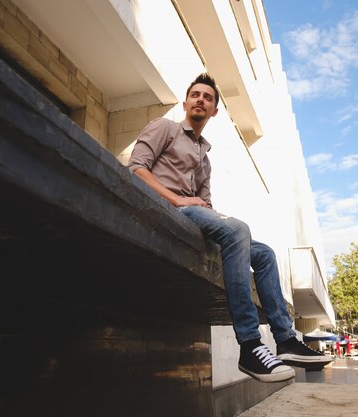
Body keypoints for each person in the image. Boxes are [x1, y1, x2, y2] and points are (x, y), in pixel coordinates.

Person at [127, 73, 331, 383]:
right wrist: (181, 201)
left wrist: (207, 212)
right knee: (238, 229)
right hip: (164, 208)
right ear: (185, 103)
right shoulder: (164, 128)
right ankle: (250, 345)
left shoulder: (205, 159)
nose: (200, 100)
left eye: (207, 98)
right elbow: (137, 168)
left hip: (192, 216)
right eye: (195, 95)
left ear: (214, 112)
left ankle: (286, 339)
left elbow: (205, 206)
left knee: (263, 253)